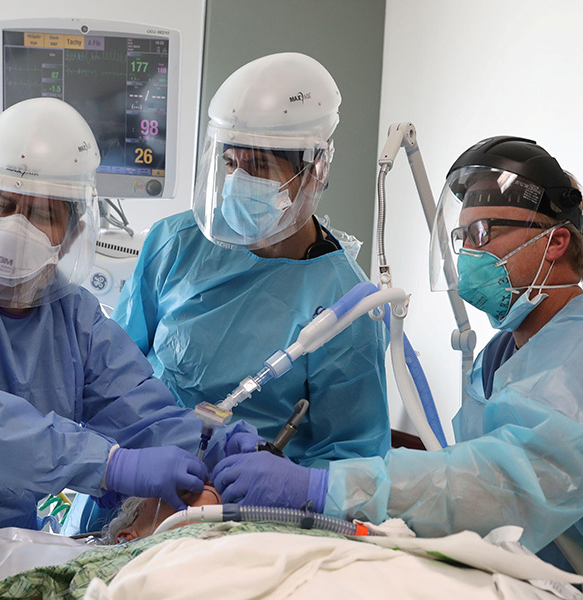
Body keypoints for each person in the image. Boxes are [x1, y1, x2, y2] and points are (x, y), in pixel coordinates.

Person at [211, 136, 583, 599]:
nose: (469, 253)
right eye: (462, 236)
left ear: (555, 243)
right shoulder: (505, 352)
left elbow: (500, 487)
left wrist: (321, 487)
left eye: (483, 233)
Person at [0, 97, 241, 537]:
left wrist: (228, 451)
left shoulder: (75, 321)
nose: (16, 225)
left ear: (70, 237)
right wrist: (110, 465)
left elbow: (144, 415)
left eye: (41, 214)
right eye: (3, 203)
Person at [64, 52, 390, 534]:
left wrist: (289, 482)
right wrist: (117, 466)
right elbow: (109, 371)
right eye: (231, 162)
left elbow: (353, 460)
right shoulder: (176, 243)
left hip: (246, 516)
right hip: (133, 489)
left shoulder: (346, 305)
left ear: (315, 171)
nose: (238, 182)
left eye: (258, 166)